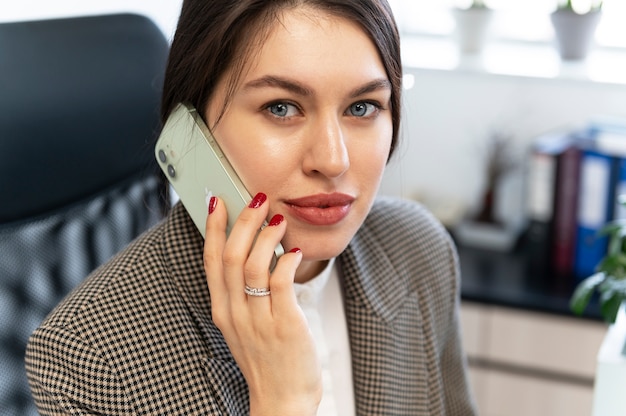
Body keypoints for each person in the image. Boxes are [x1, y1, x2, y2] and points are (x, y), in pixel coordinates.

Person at [25, 0, 477, 414]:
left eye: (362, 107)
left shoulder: (419, 250)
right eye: (281, 107)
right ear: (191, 126)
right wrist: (282, 402)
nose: (333, 160)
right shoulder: (88, 358)